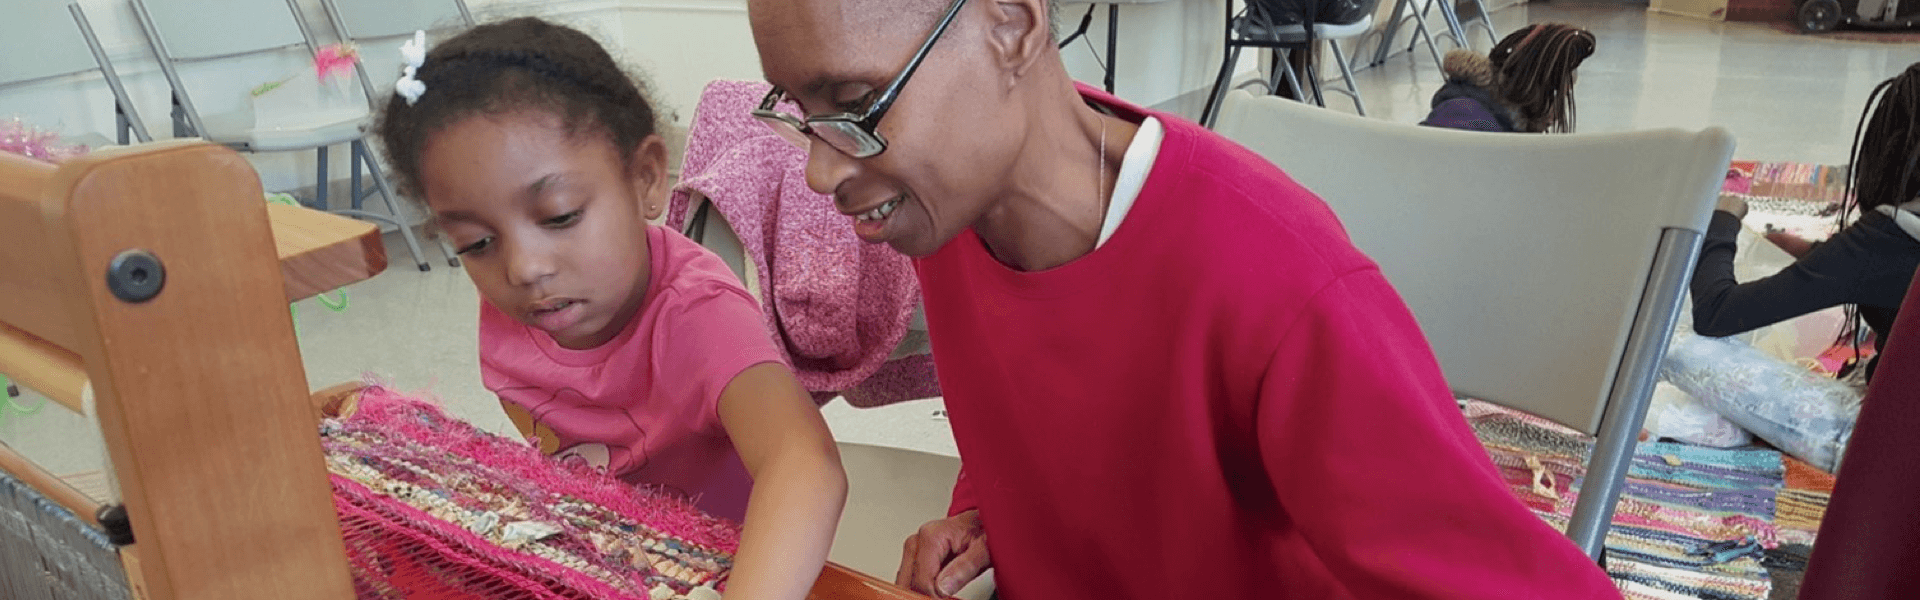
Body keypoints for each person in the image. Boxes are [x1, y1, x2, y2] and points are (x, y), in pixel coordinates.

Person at [745, 0, 1618, 598]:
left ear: (1010, 23)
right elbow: (1044, 411)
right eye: (801, 112)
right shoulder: (950, 213)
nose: (823, 168)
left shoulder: (1280, 287)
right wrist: (985, 512)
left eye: (857, 104)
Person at [373, 18, 846, 600]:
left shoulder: (699, 315)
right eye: (476, 242)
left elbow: (805, 464)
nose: (523, 268)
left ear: (646, 179)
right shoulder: (522, 305)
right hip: (602, 553)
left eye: (562, 215)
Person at [1692, 62, 1920, 380]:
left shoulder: (1887, 238)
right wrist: (1817, 254)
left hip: (1893, 422)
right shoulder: (1880, 247)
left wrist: (1722, 219)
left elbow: (1715, 313)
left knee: (1681, 353)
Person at [1422, 23, 1595, 133]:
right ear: (1531, 88)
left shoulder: (1505, 121)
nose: (1557, 114)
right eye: (1556, 96)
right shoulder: (1464, 115)